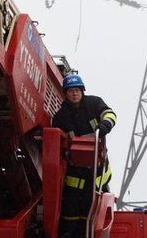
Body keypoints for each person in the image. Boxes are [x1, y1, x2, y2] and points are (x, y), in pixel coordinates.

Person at [52, 74, 117, 237]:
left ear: (82, 91)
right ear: (65, 93)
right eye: (71, 91)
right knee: (71, 210)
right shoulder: (61, 117)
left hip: (97, 169)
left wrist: (105, 125)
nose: (74, 94)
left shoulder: (94, 104)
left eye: (77, 90)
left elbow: (110, 114)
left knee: (91, 209)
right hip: (74, 170)